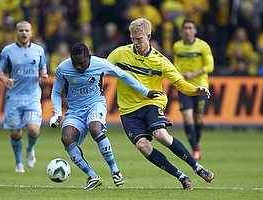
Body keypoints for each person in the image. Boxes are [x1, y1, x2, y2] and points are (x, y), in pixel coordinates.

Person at [106, 18, 215, 190]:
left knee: (161, 135)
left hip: (152, 102)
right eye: (133, 38)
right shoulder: (120, 53)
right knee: (143, 146)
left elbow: (180, 84)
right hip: (127, 110)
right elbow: (102, 68)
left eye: (139, 39)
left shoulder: (161, 61)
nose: (135, 42)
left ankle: (198, 168)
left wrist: (196, 90)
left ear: (148, 36)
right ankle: (181, 176)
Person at [50, 42, 163, 190]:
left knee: (95, 129)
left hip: (95, 104)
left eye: (81, 63)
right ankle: (93, 176)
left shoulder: (100, 64)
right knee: (66, 138)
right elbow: (56, 92)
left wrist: (146, 91)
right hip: (75, 111)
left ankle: (115, 171)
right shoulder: (63, 68)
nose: (78, 67)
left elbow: (123, 75)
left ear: (89, 57)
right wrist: (57, 113)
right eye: (74, 63)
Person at [0, 21, 48, 173]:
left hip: (33, 97)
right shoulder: (7, 51)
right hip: (14, 97)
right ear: (16, 33)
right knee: (16, 132)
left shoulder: (39, 50)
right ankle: (19, 162)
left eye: (27, 30)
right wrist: (5, 80)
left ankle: (30, 149)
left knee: (33, 130)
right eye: (21, 31)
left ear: (31, 33)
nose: (24, 33)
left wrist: (43, 74)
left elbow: (43, 67)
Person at [173, 18, 214, 160]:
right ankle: (195, 149)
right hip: (184, 86)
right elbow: (176, 64)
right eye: (185, 28)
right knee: (187, 118)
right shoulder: (177, 46)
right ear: (181, 31)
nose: (187, 31)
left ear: (195, 31)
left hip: (201, 87)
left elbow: (210, 66)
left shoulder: (203, 46)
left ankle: (197, 142)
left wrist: (193, 74)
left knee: (198, 119)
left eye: (190, 28)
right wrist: (179, 74)